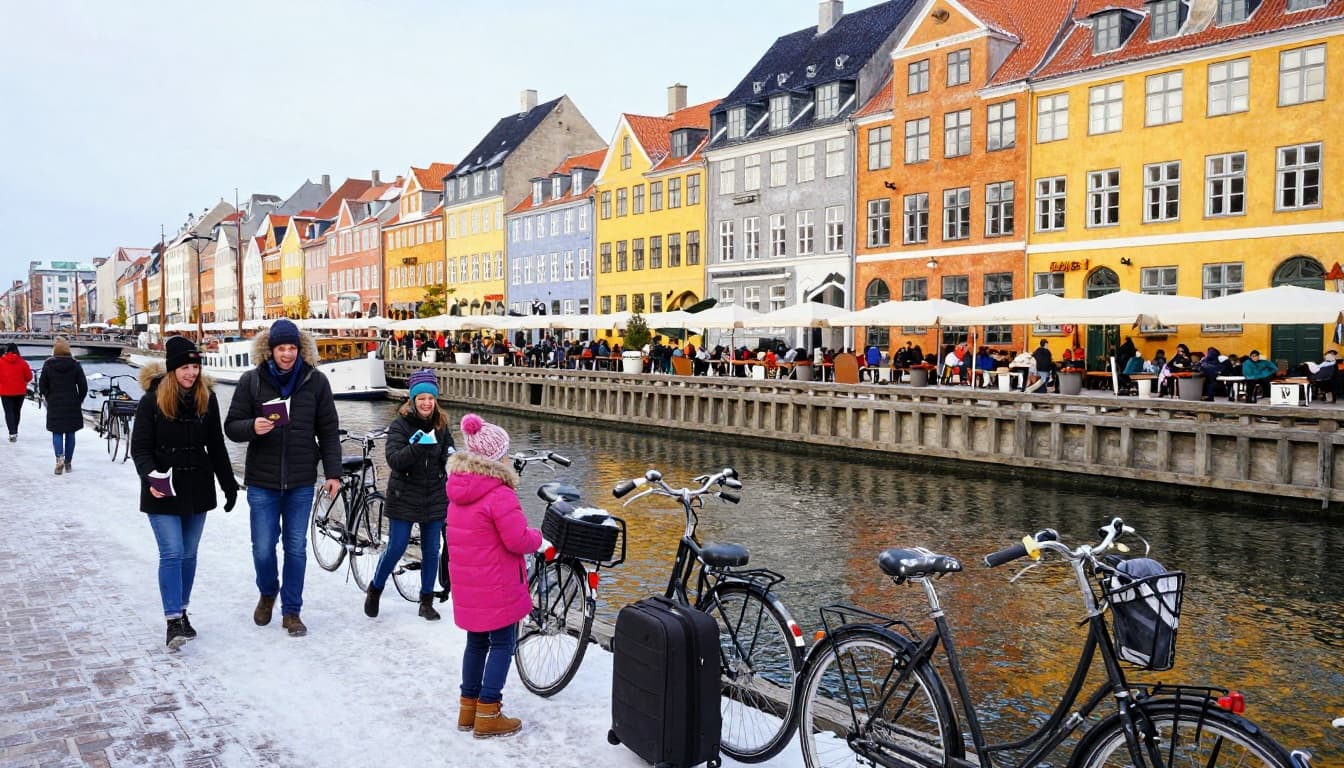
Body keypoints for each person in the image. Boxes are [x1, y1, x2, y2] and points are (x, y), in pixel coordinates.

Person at [224, 318, 341, 637]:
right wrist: (252, 427)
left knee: (296, 548)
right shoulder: (252, 381)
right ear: (270, 350)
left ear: (300, 349)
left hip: (301, 481)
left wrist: (333, 473)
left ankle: (292, 611)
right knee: (262, 547)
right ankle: (267, 591)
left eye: (292, 348)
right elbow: (231, 426)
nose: (287, 354)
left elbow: (328, 430)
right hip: (262, 480)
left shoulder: (315, 382)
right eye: (281, 348)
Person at [130, 337, 239, 650]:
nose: (191, 372)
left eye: (195, 366)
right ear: (172, 368)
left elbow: (216, 445)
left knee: (189, 554)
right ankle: (172, 620)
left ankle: (183, 610)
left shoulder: (207, 397)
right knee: (172, 552)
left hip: (196, 485)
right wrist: (151, 477)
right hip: (162, 488)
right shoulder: (152, 400)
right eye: (185, 367)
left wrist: (228, 484)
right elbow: (140, 448)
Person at [447, 413, 541, 739]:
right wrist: (539, 539)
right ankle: (489, 711)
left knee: (475, 643)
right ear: (495, 457)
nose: (509, 457)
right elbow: (516, 539)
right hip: (497, 584)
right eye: (505, 452)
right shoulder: (499, 493)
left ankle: (468, 709)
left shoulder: (459, 490)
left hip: (469, 585)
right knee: (503, 643)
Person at [364, 369, 454, 621]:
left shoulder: (442, 425)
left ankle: (426, 601)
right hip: (403, 494)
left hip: (434, 495)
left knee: (431, 549)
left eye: (430, 398)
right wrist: (416, 447)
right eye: (421, 398)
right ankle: (375, 588)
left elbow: (449, 450)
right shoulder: (400, 425)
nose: (426, 403)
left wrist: (452, 458)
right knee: (396, 546)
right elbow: (394, 460)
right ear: (412, 400)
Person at [38, 337, 88, 475]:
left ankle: (59, 458)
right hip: (72, 402)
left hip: (54, 402)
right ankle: (68, 461)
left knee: (57, 432)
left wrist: (48, 396)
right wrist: (79, 400)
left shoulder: (48, 365)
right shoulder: (75, 365)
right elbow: (83, 386)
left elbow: (42, 385)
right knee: (70, 433)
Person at [0, 342, 33, 442]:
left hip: (5, 391)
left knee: (8, 412)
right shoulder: (23, 362)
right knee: (16, 411)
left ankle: (12, 432)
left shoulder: (1, 362)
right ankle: (15, 430)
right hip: (20, 391)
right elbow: (29, 377)